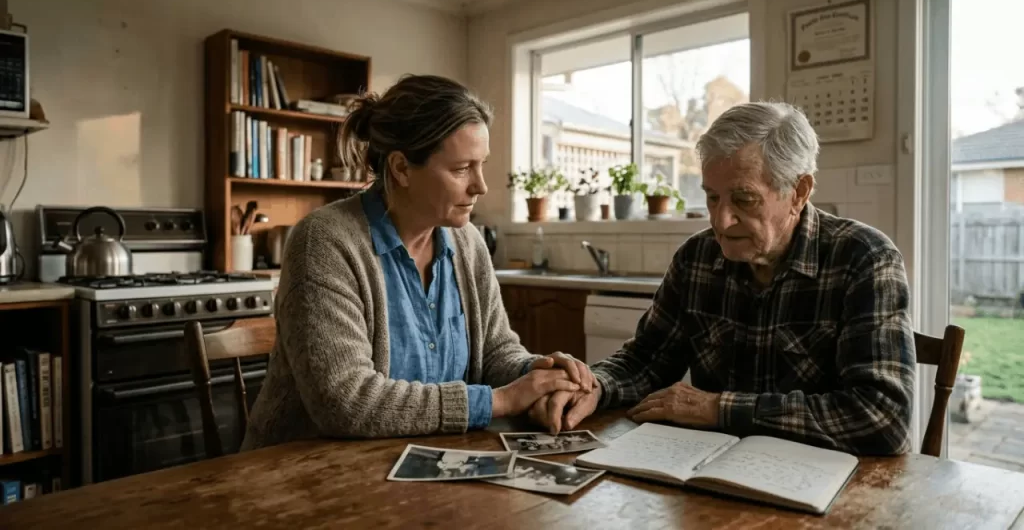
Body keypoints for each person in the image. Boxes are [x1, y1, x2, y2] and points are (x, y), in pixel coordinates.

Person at [529, 101, 916, 456]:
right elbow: (647, 361)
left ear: (798, 191)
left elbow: (882, 416)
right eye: (712, 198)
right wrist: (594, 386)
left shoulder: (864, 259)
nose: (720, 221)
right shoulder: (697, 258)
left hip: (827, 487)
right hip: (709, 474)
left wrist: (719, 409)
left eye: (743, 199)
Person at [241, 74, 593, 450]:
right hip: (302, 477)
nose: (480, 186)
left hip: (427, 465)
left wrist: (539, 375)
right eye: (461, 169)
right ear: (402, 168)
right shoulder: (324, 242)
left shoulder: (468, 242)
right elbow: (343, 400)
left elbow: (495, 352)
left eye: (481, 165)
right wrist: (502, 401)